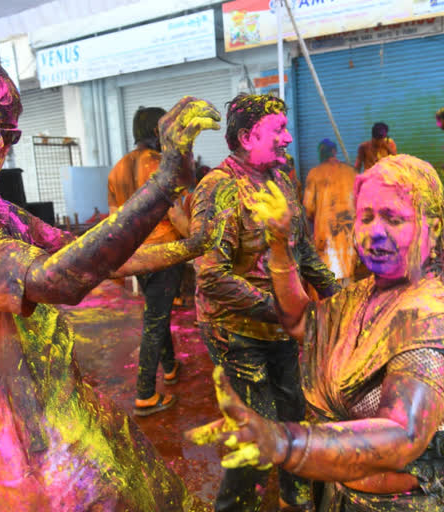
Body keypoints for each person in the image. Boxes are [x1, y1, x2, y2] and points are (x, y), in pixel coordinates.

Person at [0, 54, 223, 511]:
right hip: (30, 449)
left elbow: (86, 254)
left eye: (8, 133)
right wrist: (164, 184)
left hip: (69, 414)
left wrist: (193, 244)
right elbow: (56, 280)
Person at [188, 154, 444, 512]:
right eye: (365, 217)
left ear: (436, 225)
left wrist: (285, 442)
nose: (374, 231)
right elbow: (304, 324)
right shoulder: (366, 294)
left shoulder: (431, 315)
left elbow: (404, 434)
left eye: (394, 218)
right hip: (352, 498)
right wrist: (279, 246)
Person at [190, 93, 341, 511]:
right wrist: (284, 309)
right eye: (278, 131)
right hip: (236, 332)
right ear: (247, 135)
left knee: (294, 416)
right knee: (256, 432)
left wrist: (337, 297)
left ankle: (296, 499)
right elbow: (212, 274)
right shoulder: (218, 188)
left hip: (283, 328)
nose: (288, 139)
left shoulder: (282, 181)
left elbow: (304, 252)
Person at [108, 106, 188, 416]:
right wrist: (198, 240)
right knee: (155, 321)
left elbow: (115, 220)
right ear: (157, 132)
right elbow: (175, 213)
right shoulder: (160, 166)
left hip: (136, 256)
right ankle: (145, 393)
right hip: (163, 254)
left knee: (158, 312)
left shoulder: (118, 168)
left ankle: (169, 368)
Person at [303, 138, 358, 285]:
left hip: (325, 235)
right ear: (334, 152)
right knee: (348, 279)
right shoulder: (350, 171)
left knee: (329, 281)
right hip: (348, 233)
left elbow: (308, 208)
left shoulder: (314, 174)